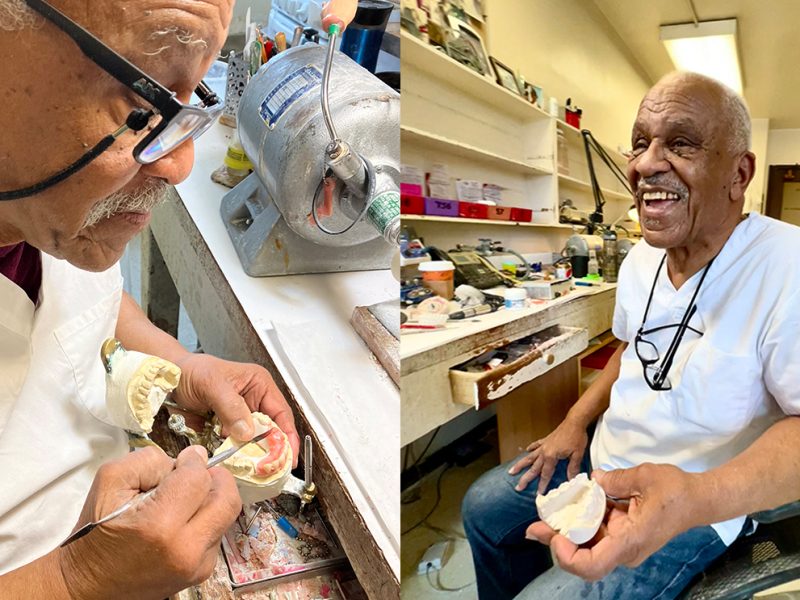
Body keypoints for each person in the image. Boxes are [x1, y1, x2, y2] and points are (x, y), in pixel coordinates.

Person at [0, 0, 357, 597]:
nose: (181, 163)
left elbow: (79, 301)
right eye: (145, 104)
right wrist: (73, 581)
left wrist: (181, 367)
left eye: (186, 104)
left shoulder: (47, 219)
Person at [462, 70, 800, 599]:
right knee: (482, 508)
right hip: (607, 463)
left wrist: (695, 497)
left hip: (698, 501)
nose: (644, 164)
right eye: (640, 143)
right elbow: (631, 349)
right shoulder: (643, 259)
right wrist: (575, 422)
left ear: (739, 173)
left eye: (681, 143)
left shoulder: (786, 265)